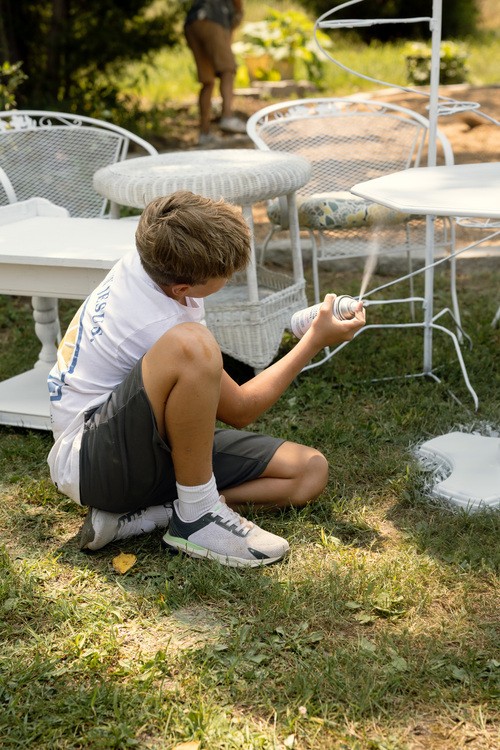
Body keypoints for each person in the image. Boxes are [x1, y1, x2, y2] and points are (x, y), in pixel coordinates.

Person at [47, 191, 365, 568]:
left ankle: (152, 515)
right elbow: (240, 409)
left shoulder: (156, 262)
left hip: (140, 444)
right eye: (224, 277)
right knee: (193, 344)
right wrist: (314, 341)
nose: (229, 278)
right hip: (93, 462)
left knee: (308, 471)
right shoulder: (157, 320)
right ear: (182, 288)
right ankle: (197, 517)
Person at [184, 0, 246, 145]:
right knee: (228, 70)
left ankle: (204, 133)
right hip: (212, 19)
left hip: (192, 22)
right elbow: (237, 9)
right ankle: (227, 117)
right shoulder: (233, 11)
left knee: (208, 81)